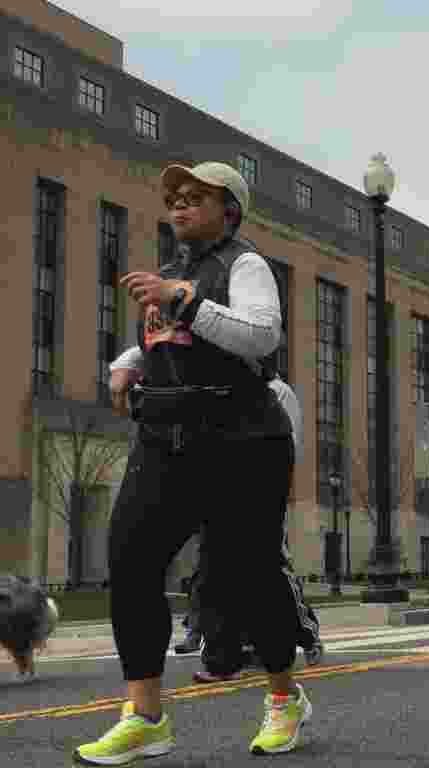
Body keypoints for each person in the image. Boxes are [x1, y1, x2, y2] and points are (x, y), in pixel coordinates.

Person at [75, 162, 312, 764]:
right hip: (165, 437)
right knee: (130, 560)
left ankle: (284, 697)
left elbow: (259, 336)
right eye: (175, 199)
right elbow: (172, 339)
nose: (179, 207)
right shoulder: (173, 272)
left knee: (248, 574)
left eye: (195, 198)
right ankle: (145, 716)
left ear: (228, 209)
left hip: (240, 439)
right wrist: (126, 361)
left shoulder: (245, 265)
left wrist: (183, 300)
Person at [192, 375, 324, 683]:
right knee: (216, 571)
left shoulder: (278, 392)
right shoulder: (216, 386)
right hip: (221, 488)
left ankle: (307, 635)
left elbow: (287, 443)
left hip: (261, 488)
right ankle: (223, 658)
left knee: (269, 568)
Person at [0, 576, 59, 683]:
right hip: (22, 617)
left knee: (21, 645)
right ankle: (27, 670)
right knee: (20, 646)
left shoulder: (25, 601)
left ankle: (27, 670)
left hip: (25, 618)